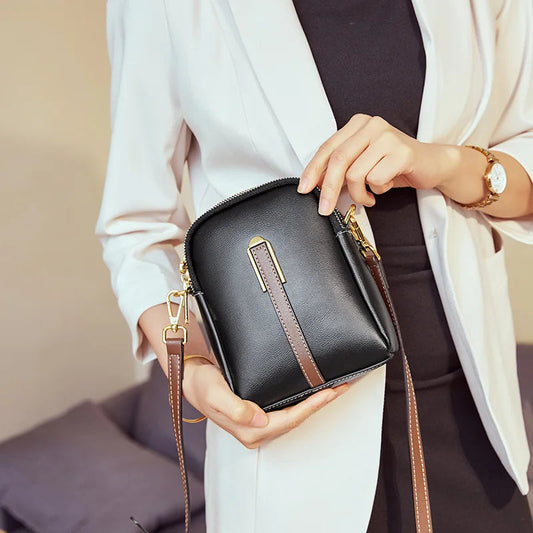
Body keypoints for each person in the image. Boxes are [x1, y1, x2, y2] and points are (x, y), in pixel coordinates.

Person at [95, 1, 533, 531]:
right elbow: (136, 227)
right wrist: (191, 372)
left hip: (475, 422)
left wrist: (442, 162)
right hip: (296, 435)